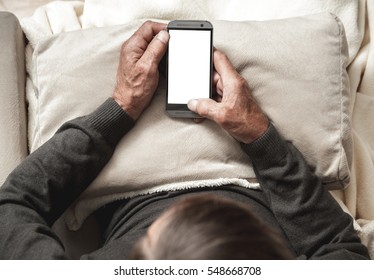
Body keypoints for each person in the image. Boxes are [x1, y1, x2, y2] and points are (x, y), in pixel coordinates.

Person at [0, 21, 370, 260]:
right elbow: (342, 250)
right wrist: (259, 136)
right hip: (265, 184)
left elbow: (12, 208)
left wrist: (120, 107)